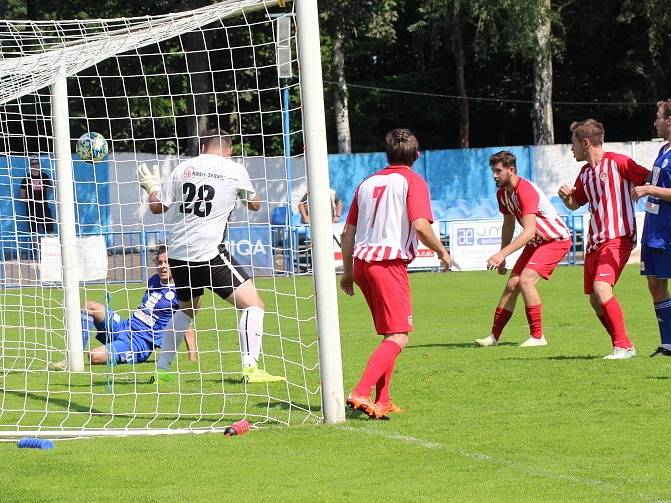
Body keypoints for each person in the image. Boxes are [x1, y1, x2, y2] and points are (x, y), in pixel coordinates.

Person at [137, 127, 285, 383]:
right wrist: (240, 195)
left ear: (202, 147)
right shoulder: (234, 169)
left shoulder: (183, 168)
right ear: (229, 150)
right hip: (209, 252)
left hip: (178, 252)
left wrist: (151, 186)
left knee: (187, 309)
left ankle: (162, 370)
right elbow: (255, 204)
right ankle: (250, 369)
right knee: (254, 305)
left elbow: (157, 207)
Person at [340, 128, 451, 419]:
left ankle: (384, 399)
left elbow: (347, 232)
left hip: (364, 264)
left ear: (387, 154)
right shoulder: (412, 180)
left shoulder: (367, 182)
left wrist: (348, 272)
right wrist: (442, 251)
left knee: (390, 334)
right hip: (387, 264)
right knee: (400, 335)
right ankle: (361, 392)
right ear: (416, 155)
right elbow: (421, 226)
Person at [558, 119, 650, 359]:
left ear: (585, 143)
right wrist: (565, 198)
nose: (571, 149)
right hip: (595, 241)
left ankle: (622, 346)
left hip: (618, 236)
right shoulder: (585, 173)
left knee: (601, 288)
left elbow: (650, 179)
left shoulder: (619, 162)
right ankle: (624, 344)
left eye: (573, 143)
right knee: (594, 300)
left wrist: (648, 192)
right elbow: (575, 203)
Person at [475, 151, 571, 348]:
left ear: (511, 170)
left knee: (525, 281)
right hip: (537, 241)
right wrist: (503, 256)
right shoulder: (502, 193)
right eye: (493, 171)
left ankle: (538, 337)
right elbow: (508, 224)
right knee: (512, 285)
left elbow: (528, 231)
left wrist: (501, 254)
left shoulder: (525, 190)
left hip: (555, 240)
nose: (494, 175)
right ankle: (493, 337)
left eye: (498, 171)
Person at [50, 245, 196, 369]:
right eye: (160, 262)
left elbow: (186, 323)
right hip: (125, 326)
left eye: (167, 262)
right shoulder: (154, 280)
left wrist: (192, 358)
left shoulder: (181, 291)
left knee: (94, 356)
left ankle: (117, 349)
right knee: (90, 306)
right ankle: (72, 358)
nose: (163, 266)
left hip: (140, 343)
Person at [631, 99, 671, 357]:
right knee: (655, 283)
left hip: (668, 230)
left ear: (669, 120)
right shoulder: (664, 150)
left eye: (658, 117)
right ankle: (668, 344)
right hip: (654, 229)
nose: (655, 122)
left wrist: (649, 189)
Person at [19, 158, 55, 259]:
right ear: (30, 165)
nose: (35, 165)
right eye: (33, 163)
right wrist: (31, 202)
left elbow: (47, 190)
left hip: (44, 207)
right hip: (31, 209)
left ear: (39, 164)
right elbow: (22, 195)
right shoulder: (26, 179)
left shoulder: (45, 176)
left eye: (36, 163)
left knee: (49, 230)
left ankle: (51, 253)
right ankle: (38, 254)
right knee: (34, 232)